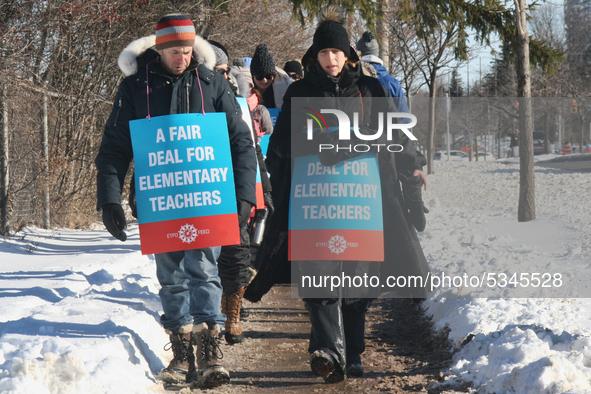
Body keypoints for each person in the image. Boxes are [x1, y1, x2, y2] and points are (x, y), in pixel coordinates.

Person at [244, 4, 430, 383]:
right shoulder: (299, 93)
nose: (331, 59)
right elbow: (280, 146)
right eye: (324, 52)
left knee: (358, 278)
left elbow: (396, 135)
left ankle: (354, 350)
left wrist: (411, 168)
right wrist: (315, 144)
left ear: (348, 55)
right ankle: (328, 350)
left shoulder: (370, 88)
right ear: (316, 55)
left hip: (363, 197)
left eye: (337, 52)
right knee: (318, 273)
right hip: (315, 199)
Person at [95, 14, 257, 388]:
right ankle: (181, 352)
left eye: (186, 50)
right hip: (160, 200)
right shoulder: (136, 87)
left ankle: (210, 348)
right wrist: (110, 200)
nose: (180, 57)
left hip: (207, 196)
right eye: (173, 51)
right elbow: (114, 149)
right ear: (159, 49)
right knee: (171, 277)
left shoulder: (213, 83)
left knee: (204, 268)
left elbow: (240, 144)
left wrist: (245, 195)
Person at [208, 40, 274, 345]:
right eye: (215, 70)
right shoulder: (190, 100)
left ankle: (232, 314)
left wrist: (264, 190)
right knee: (208, 254)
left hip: (235, 186)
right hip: (201, 186)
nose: (221, 76)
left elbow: (252, 150)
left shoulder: (237, 102)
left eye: (224, 70)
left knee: (237, 250)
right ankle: (213, 310)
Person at [357, 30, 428, 231]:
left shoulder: (354, 80)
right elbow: (404, 122)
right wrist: (413, 161)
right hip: (391, 150)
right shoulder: (392, 82)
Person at [249, 43, 291, 109]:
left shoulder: (283, 91)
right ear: (253, 76)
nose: (264, 80)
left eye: (269, 76)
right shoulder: (247, 93)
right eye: (259, 77)